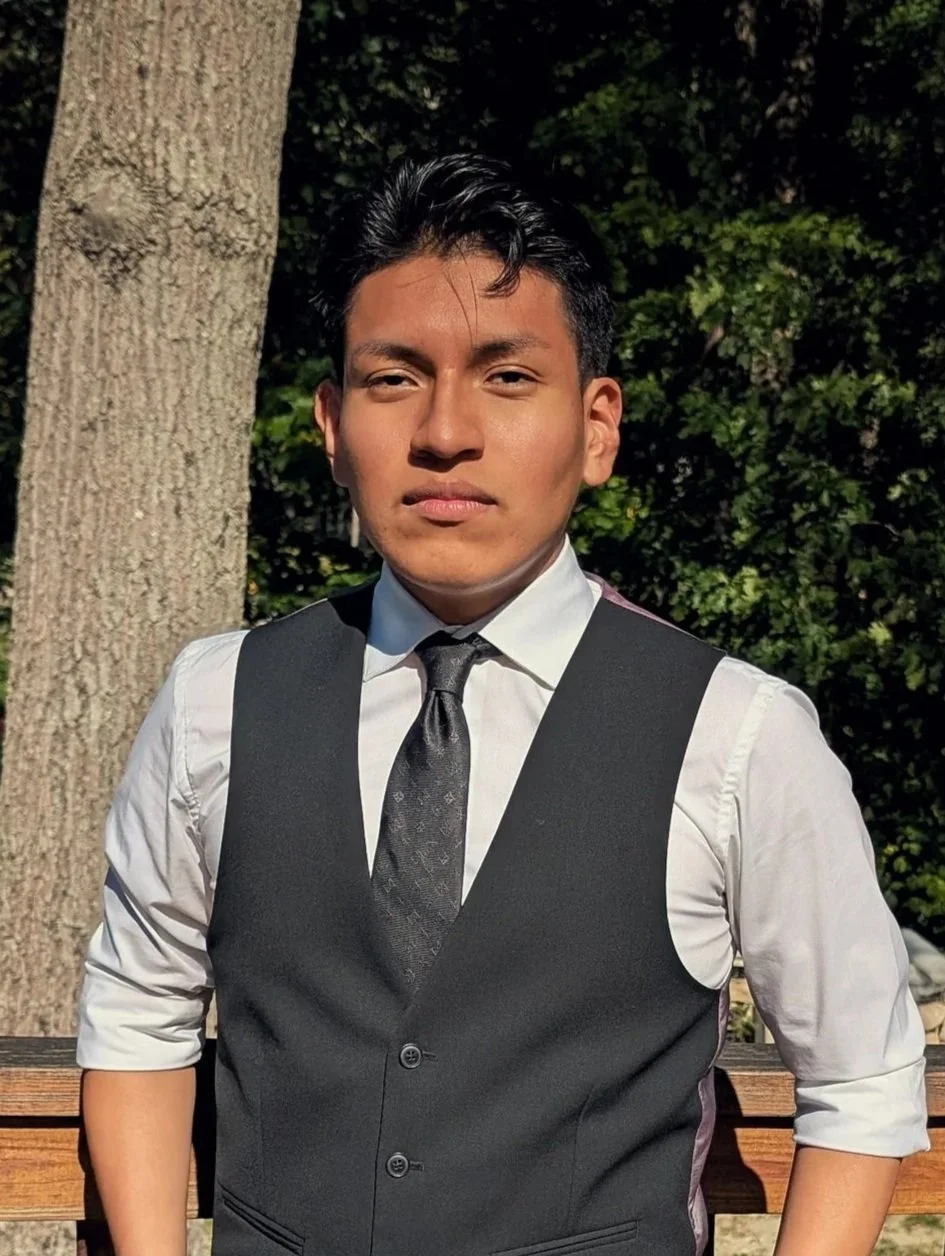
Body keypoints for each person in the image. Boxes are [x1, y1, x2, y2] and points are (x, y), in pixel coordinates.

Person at [77, 154, 929, 1256]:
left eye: (507, 377)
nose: (444, 431)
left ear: (598, 425)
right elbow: (139, 1011)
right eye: (394, 378)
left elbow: (861, 1072)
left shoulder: (739, 733)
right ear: (332, 424)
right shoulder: (214, 701)